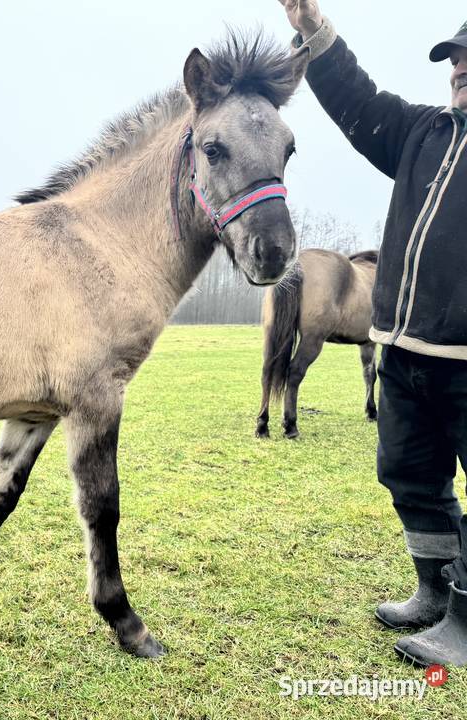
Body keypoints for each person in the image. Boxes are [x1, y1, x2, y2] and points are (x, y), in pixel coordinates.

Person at [278, 0, 467, 667]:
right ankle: (434, 590)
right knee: (408, 474)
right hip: (407, 351)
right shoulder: (423, 133)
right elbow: (358, 99)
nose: (459, 70)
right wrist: (312, 27)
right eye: (454, 59)